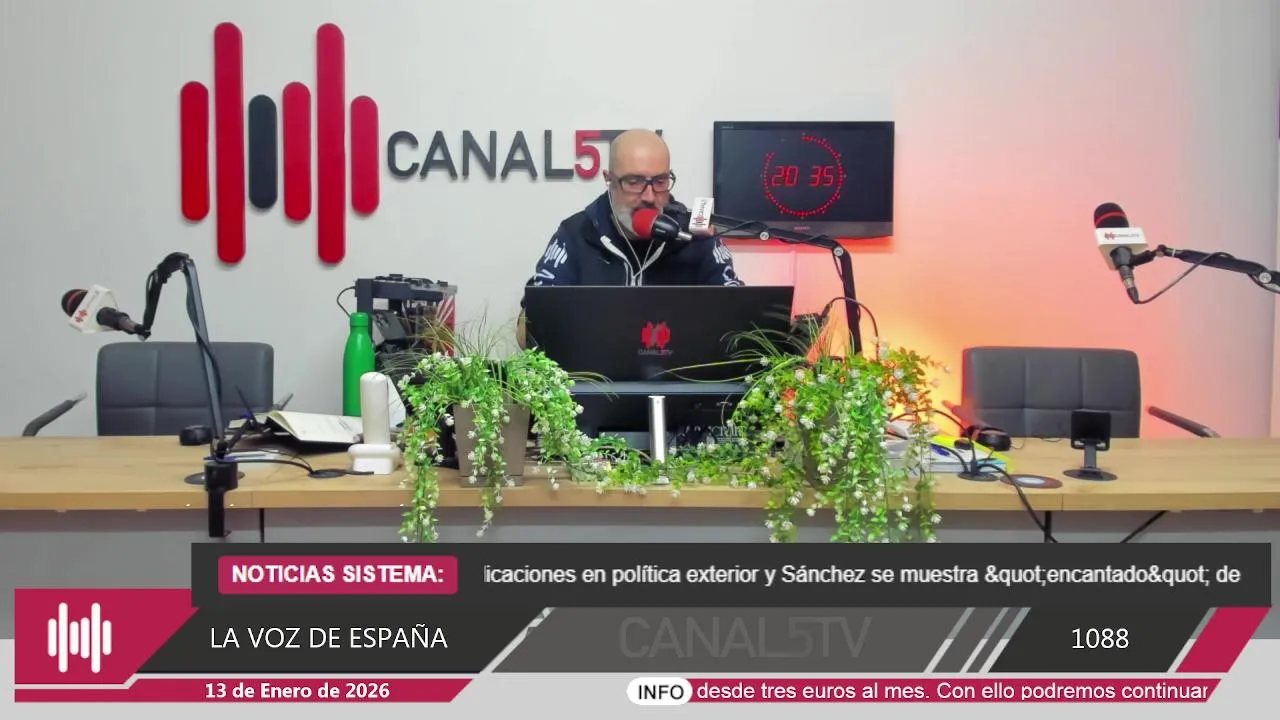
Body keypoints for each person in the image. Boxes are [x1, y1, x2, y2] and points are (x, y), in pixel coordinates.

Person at [526, 129, 743, 289]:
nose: (649, 197)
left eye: (660, 181)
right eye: (634, 182)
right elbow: (534, 320)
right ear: (609, 180)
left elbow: (738, 316)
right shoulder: (575, 234)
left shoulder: (697, 237)